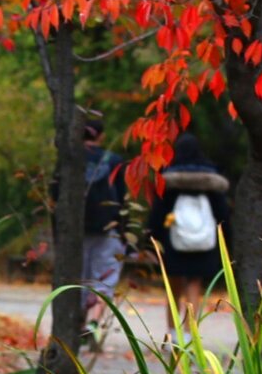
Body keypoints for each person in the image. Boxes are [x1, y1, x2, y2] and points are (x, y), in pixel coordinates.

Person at [144, 132, 231, 309]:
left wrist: (151, 238)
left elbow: (158, 213)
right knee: (194, 281)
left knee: (174, 284)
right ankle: (192, 330)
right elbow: (222, 213)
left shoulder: (167, 179)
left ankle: (173, 330)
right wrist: (227, 239)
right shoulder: (211, 180)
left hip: (173, 239)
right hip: (204, 240)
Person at [78, 114, 133, 343]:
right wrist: (125, 232)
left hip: (77, 229)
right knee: (104, 278)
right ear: (101, 136)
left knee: (79, 277)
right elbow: (123, 198)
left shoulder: (71, 159)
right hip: (107, 227)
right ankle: (93, 320)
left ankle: (77, 325)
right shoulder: (114, 161)